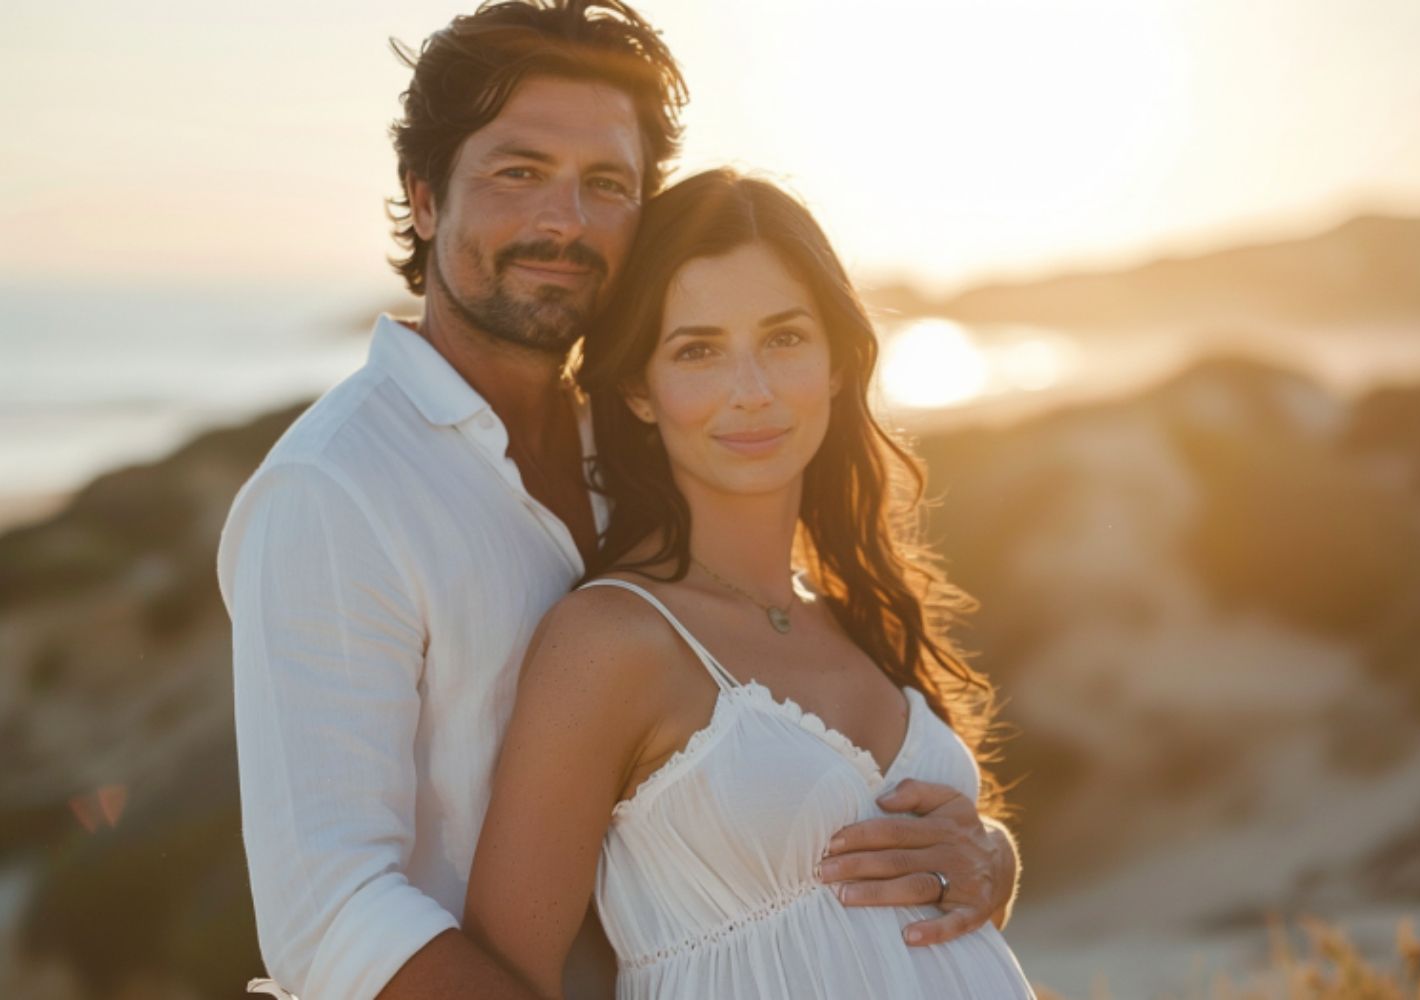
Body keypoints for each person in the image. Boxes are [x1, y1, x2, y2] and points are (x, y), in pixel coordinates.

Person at [219, 3, 1019, 999]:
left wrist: (986, 851)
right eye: (518, 173)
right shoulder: (334, 489)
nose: (566, 221)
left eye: (606, 184)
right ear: (424, 199)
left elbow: (780, 745)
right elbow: (333, 914)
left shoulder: (650, 438)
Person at [463, 169, 1033, 999]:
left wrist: (995, 861)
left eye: (785, 338)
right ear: (638, 390)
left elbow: (909, 922)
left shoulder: (856, 616)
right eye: (698, 350)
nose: (753, 391)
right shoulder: (613, 642)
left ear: (838, 361)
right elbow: (506, 974)